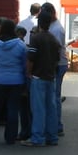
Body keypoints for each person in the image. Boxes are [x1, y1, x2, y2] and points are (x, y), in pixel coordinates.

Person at [0, 18, 28, 145]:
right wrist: (24, 79)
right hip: (16, 82)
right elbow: (25, 65)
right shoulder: (20, 45)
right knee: (13, 109)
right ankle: (10, 137)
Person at [23, 11, 62, 147]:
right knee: (51, 108)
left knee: (38, 109)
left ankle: (37, 137)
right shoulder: (54, 40)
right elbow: (57, 59)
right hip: (50, 77)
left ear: (39, 23)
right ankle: (52, 137)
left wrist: (28, 72)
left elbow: (31, 58)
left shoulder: (36, 38)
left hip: (38, 76)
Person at [40, 2, 68, 139]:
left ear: (51, 13)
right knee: (53, 96)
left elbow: (54, 49)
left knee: (54, 96)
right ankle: (54, 126)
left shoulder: (56, 29)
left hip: (57, 64)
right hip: (57, 64)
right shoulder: (54, 27)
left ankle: (57, 126)